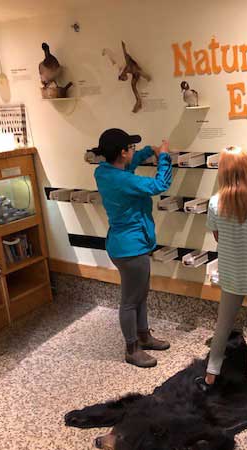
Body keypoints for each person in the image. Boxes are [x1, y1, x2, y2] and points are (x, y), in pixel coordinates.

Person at [195, 147, 247, 391]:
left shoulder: (214, 203)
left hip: (231, 272)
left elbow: (218, 236)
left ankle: (212, 371)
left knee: (223, 322)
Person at [92, 128, 173, 368]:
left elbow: (128, 165)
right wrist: (164, 156)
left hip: (122, 243)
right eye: (132, 148)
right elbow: (160, 184)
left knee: (140, 294)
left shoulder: (104, 172)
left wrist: (148, 152)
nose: (134, 151)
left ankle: (144, 336)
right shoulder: (124, 180)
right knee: (130, 300)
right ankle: (132, 349)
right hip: (131, 247)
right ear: (122, 152)